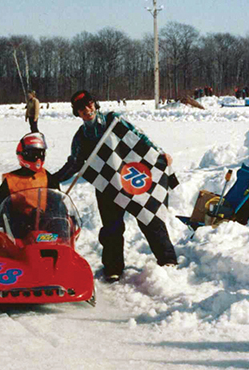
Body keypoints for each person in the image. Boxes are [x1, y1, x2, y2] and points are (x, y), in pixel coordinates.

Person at [53, 90, 177, 283]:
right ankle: (113, 267)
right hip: (107, 187)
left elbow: (140, 139)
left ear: (95, 103)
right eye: (81, 108)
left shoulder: (114, 121)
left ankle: (167, 259)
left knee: (148, 217)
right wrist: (54, 179)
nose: (87, 110)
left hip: (131, 177)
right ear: (76, 113)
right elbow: (75, 163)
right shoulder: (81, 137)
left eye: (89, 104)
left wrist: (159, 154)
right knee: (112, 227)